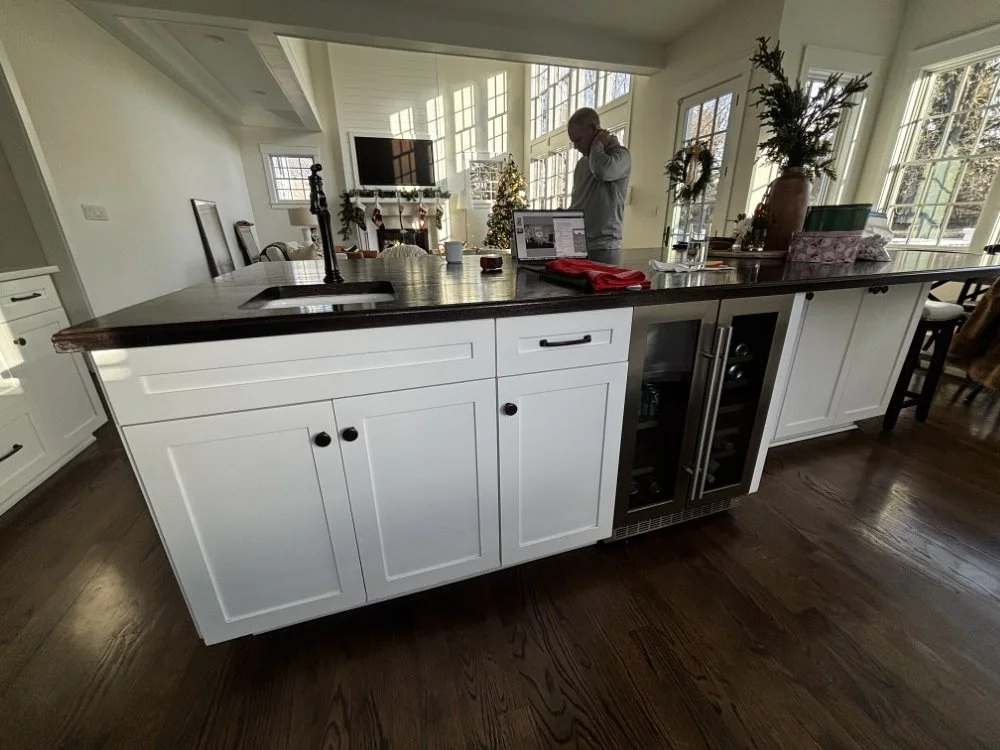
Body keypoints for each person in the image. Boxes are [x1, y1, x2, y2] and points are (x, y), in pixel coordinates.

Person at [567, 107, 631, 266]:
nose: (575, 146)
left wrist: (597, 145)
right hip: (578, 245)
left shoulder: (621, 156)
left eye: (578, 140)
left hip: (604, 248)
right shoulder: (582, 163)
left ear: (593, 129)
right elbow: (578, 202)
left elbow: (602, 171)